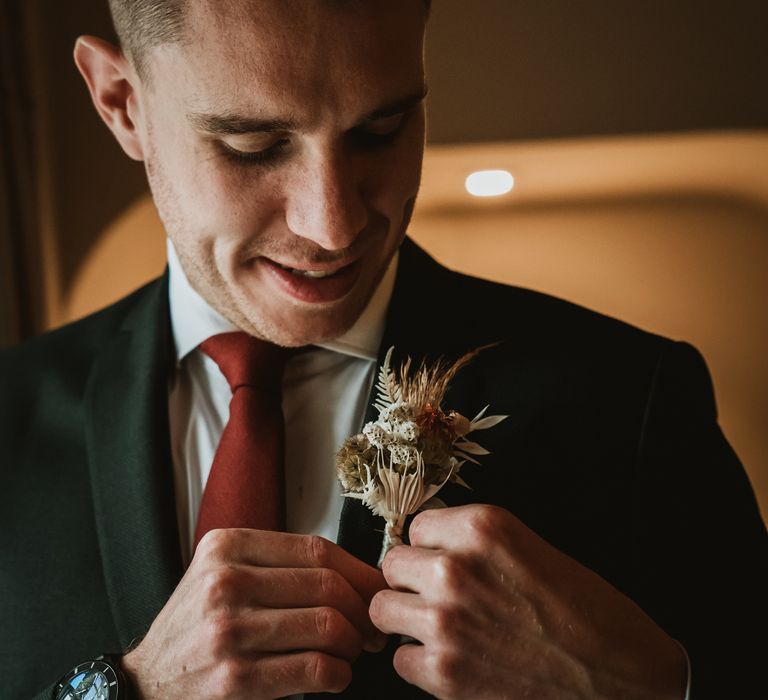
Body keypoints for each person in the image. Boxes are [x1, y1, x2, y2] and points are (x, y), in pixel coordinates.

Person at [1, 1, 766, 698]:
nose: (331, 227)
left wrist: (650, 687)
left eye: (380, 131)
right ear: (121, 104)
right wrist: (128, 690)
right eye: (253, 146)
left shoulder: (631, 401)